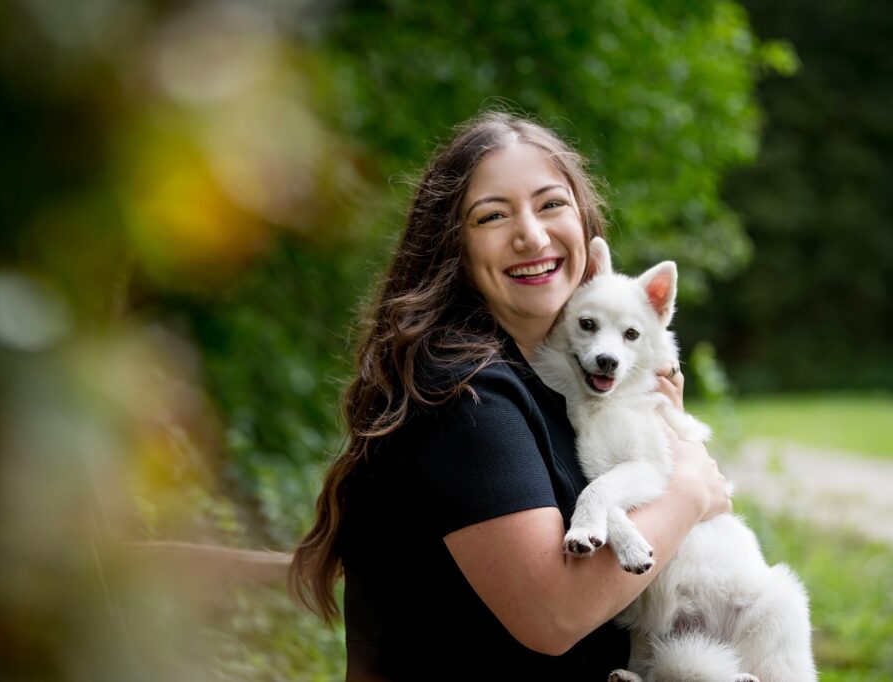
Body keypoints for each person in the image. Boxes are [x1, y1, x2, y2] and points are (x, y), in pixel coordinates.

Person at [287, 111, 732, 680]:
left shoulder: (560, 379)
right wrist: (690, 490)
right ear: (454, 247)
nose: (532, 235)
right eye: (493, 215)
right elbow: (551, 614)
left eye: (551, 204)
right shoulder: (464, 393)